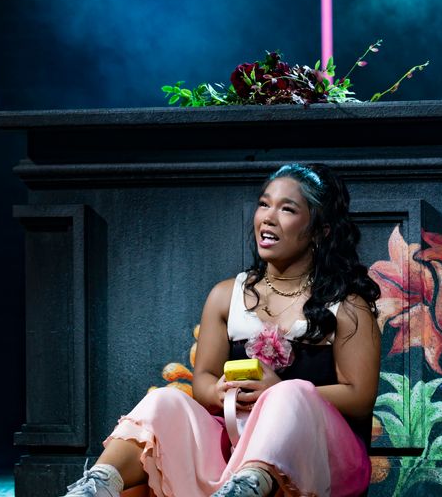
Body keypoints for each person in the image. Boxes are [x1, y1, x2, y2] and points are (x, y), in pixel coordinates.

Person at [63, 163, 381, 497]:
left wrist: (278, 392)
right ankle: (97, 484)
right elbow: (203, 380)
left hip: (325, 458)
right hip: (234, 444)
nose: (268, 218)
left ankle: (249, 485)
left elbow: (359, 397)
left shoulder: (346, 304)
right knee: (166, 400)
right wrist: (218, 391)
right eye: (264, 204)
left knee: (290, 394)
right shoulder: (225, 296)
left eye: (287, 209)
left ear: (320, 230)